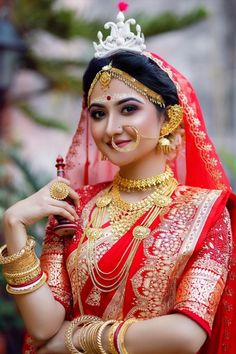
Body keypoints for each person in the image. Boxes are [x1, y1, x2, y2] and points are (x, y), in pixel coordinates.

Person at [1, 3, 236, 354]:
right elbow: (43, 325)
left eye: (128, 109)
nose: (110, 129)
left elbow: (186, 335)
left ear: (168, 119)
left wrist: (79, 338)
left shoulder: (206, 213)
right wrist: (13, 223)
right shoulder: (74, 208)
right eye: (98, 113)